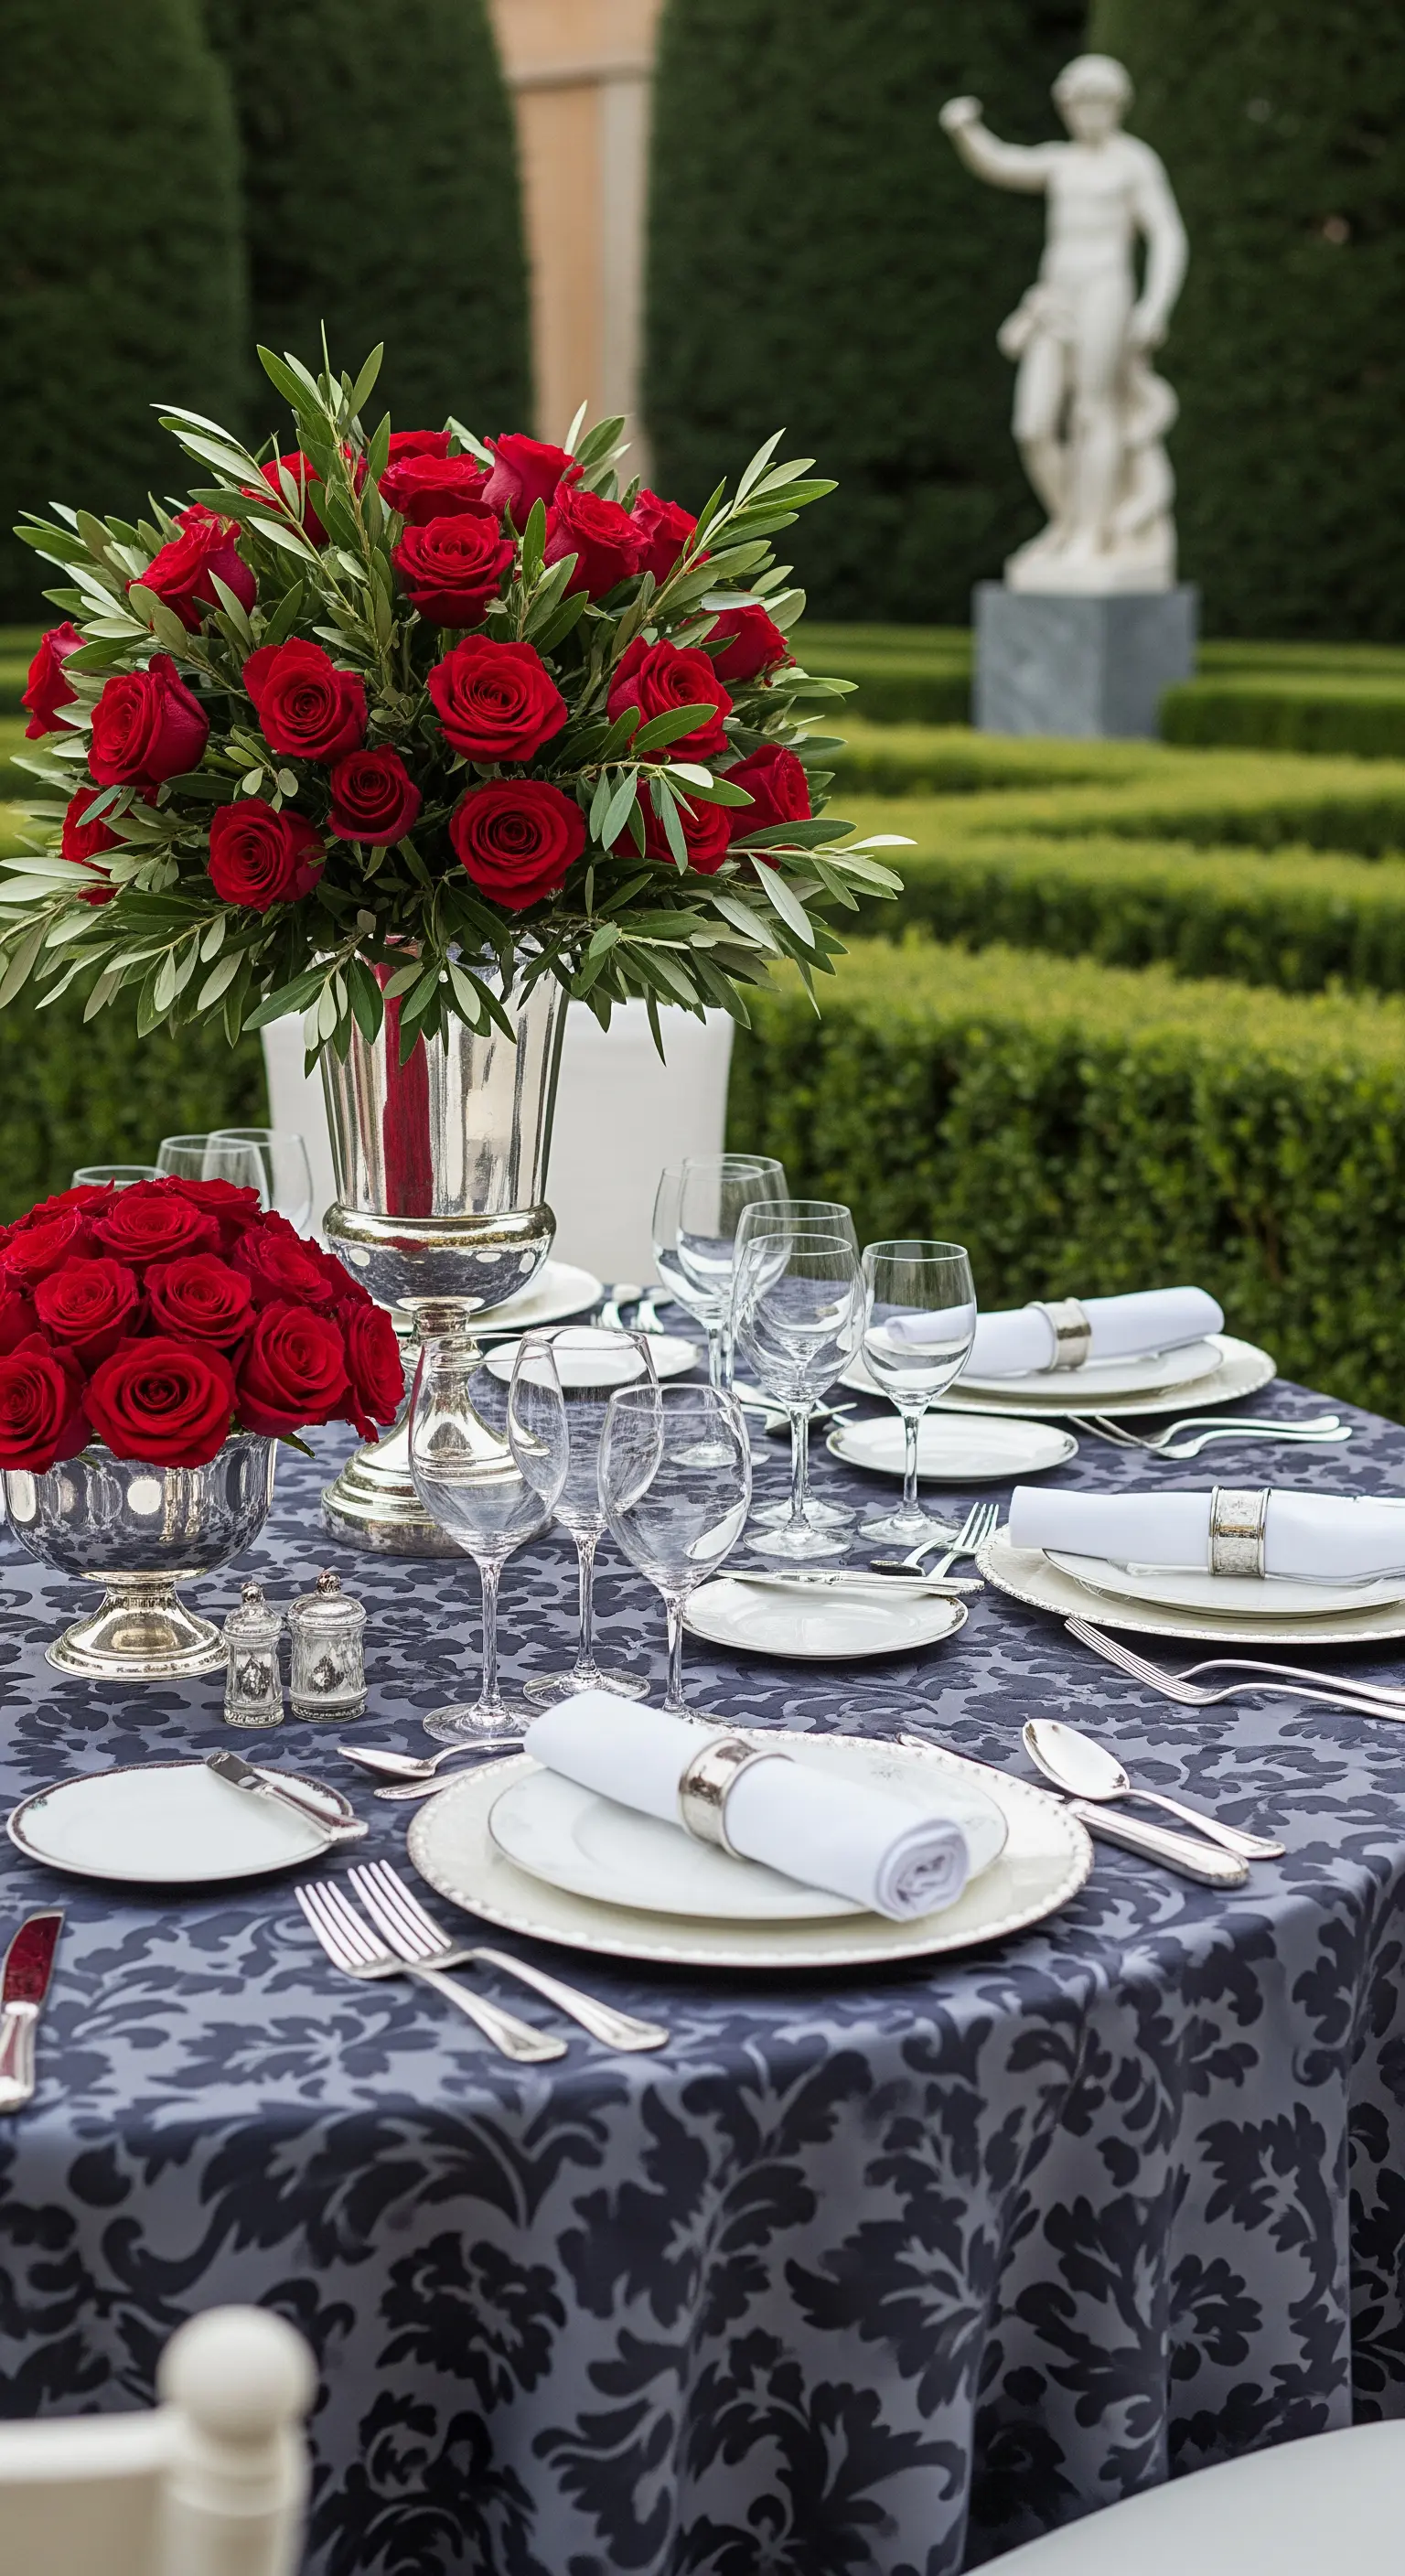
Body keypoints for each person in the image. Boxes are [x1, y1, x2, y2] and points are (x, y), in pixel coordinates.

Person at [940, 54, 1187, 589]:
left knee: (1093, 413)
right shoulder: (1062, 162)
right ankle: (1070, 519)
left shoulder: (1133, 162)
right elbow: (1001, 162)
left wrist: (1154, 307)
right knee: (1032, 426)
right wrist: (966, 129)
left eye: (1097, 102)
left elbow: (1167, 236)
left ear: (1117, 105)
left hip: (1106, 291)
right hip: (1054, 301)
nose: (1086, 113)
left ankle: (1090, 538)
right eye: (1076, 102)